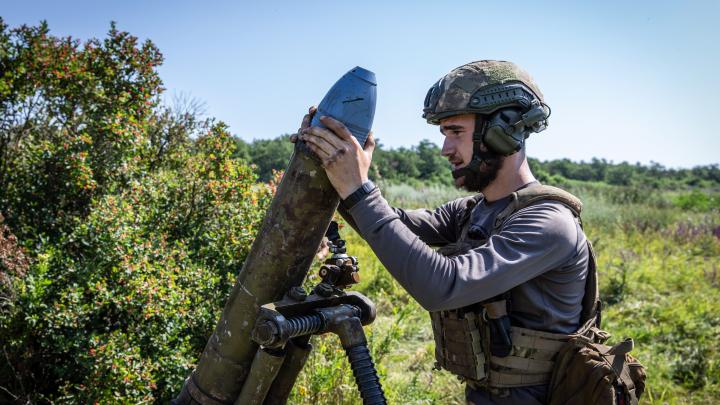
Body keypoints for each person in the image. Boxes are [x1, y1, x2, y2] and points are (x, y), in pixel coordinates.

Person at [295, 60, 598, 405]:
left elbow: (445, 285)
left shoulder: (549, 223)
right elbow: (391, 224)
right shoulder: (474, 210)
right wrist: (332, 169)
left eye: (456, 132)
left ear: (506, 129)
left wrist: (359, 190)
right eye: (444, 134)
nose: (445, 150)